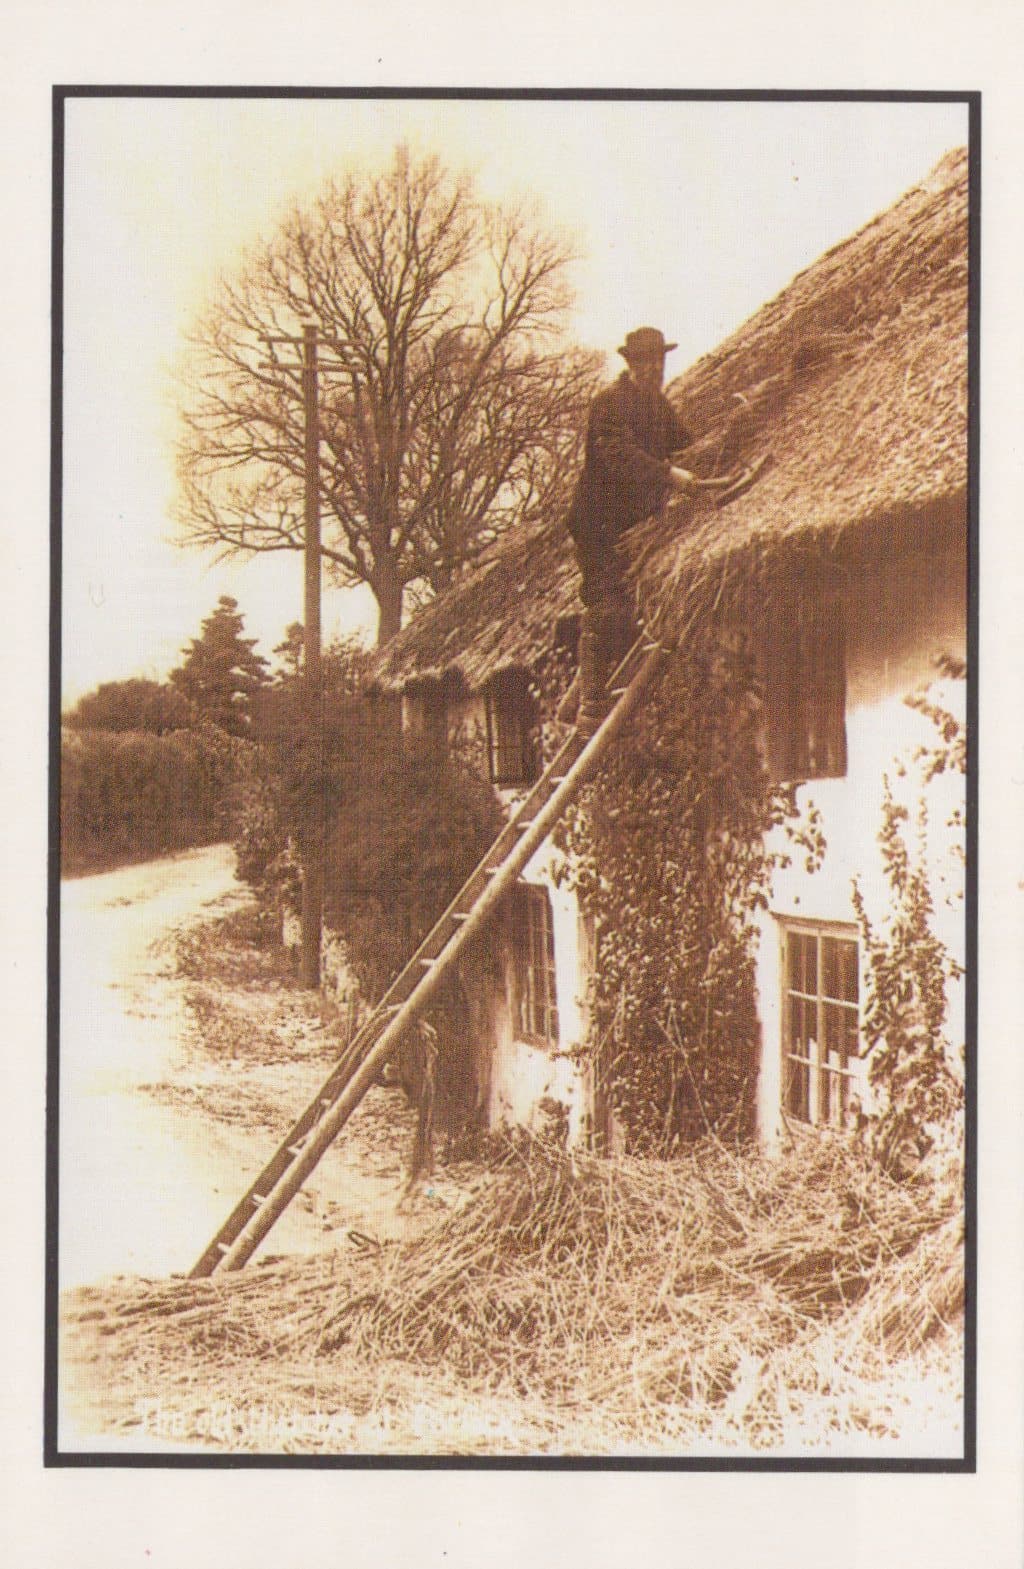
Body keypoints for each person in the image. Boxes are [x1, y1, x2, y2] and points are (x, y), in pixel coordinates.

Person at [565, 326, 696, 738]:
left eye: (658, 362)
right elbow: (617, 454)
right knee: (608, 605)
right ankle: (589, 704)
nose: (652, 369)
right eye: (644, 362)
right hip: (598, 522)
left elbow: (685, 444)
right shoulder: (610, 405)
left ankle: (580, 696)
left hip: (632, 524)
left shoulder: (659, 407)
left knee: (631, 610)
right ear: (630, 364)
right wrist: (668, 474)